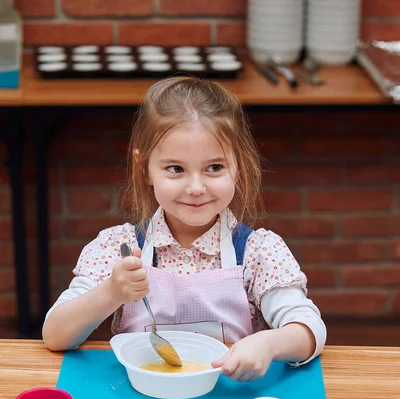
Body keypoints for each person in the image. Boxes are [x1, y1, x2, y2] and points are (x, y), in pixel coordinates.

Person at [43, 76, 326, 382]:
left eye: (214, 168)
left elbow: (309, 330)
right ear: (145, 169)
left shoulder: (258, 251)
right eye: (175, 169)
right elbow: (56, 335)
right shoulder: (118, 247)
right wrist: (111, 292)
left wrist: (270, 343)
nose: (195, 187)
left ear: (239, 167)